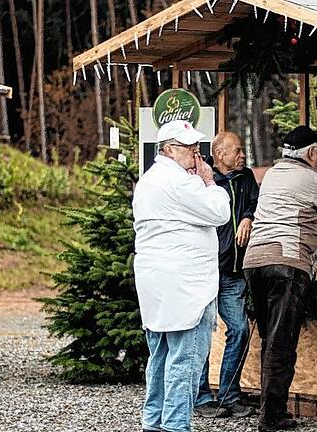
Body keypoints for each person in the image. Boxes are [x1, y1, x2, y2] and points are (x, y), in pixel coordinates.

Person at [243, 126, 317, 432]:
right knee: (282, 343)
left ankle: (268, 408)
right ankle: (271, 417)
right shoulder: (313, 180)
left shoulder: (271, 175)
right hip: (287, 263)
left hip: (255, 262)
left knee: (269, 339)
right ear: (311, 153)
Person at [132, 120, 231, 432]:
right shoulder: (181, 181)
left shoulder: (149, 180)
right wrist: (210, 182)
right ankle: (176, 426)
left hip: (157, 285)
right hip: (187, 287)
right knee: (185, 361)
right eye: (189, 147)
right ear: (168, 149)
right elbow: (219, 213)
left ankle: (154, 423)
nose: (196, 152)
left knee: (160, 357)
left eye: (195, 146)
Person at [195, 132, 259, 418]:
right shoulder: (201, 180)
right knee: (203, 335)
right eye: (237, 150)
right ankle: (200, 396)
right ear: (219, 154)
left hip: (234, 272)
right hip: (208, 271)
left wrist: (248, 217)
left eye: (243, 150)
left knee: (240, 329)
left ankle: (229, 395)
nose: (243, 155)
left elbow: (255, 203)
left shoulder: (245, 178)